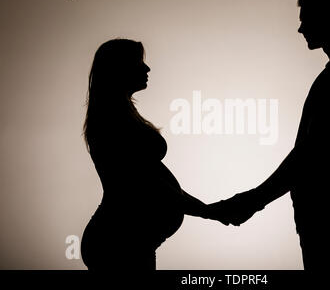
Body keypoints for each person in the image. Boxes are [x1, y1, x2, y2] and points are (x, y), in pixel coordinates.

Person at [209, 0, 330, 270]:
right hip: (326, 214)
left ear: (329, 17)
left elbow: (308, 156)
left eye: (306, 19)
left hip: (329, 214)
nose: (301, 29)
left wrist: (254, 199)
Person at [81, 39, 225, 272]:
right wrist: (208, 212)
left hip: (132, 243)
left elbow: (159, 179)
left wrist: (207, 210)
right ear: (119, 69)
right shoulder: (113, 120)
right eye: (139, 62)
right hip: (119, 243)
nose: (147, 69)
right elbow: (149, 183)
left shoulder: (124, 114)